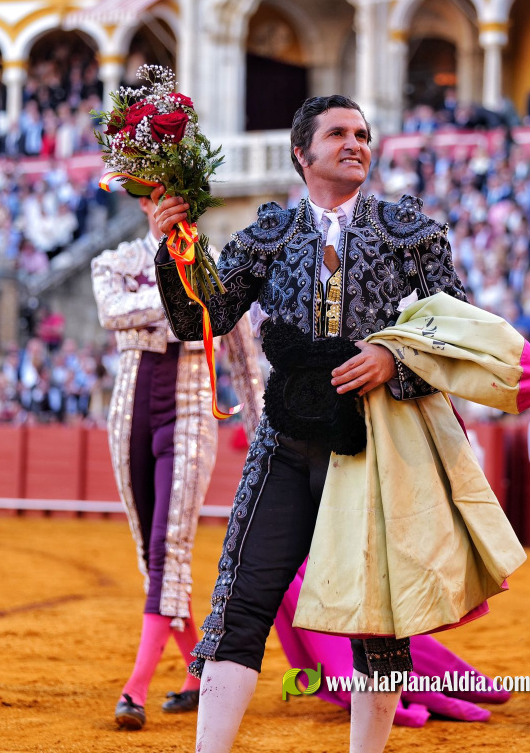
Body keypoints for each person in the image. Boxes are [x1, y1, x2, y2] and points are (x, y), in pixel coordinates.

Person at [152, 95, 470, 753]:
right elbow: (197, 319)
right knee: (238, 605)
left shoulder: (408, 231)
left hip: (374, 449)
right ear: (303, 153)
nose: (354, 143)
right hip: (285, 448)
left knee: (377, 618)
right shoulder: (267, 235)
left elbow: (459, 329)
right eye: (337, 134)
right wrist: (172, 244)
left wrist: (392, 356)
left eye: (362, 133)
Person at [91, 195, 264, 730]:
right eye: (155, 193)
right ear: (144, 202)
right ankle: (197, 671)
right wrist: (189, 307)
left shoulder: (218, 268)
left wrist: (262, 434)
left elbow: (244, 361)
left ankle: (135, 689)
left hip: (190, 410)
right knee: (152, 550)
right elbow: (108, 312)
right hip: (130, 410)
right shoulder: (114, 261)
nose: (165, 203)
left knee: (169, 548)